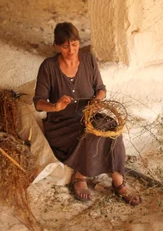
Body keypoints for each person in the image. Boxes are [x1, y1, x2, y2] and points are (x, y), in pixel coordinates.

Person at [33, 22, 141, 205]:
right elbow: (38, 103)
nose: (71, 50)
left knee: (112, 129)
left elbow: (101, 89)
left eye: (74, 44)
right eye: (65, 46)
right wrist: (55, 107)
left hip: (88, 117)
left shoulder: (88, 60)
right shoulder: (48, 67)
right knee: (92, 133)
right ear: (57, 46)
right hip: (61, 125)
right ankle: (80, 177)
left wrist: (97, 101)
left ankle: (118, 182)